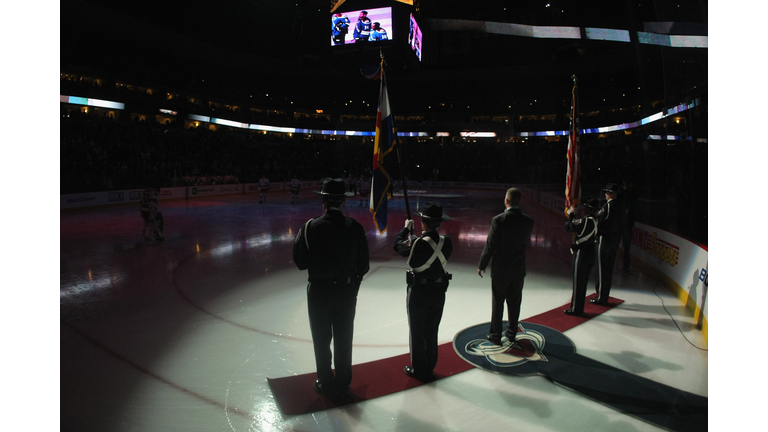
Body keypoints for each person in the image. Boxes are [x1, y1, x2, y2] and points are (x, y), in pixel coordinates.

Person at [293, 178, 370, 397]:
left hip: (319, 292)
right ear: (344, 202)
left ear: (323, 202)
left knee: (321, 338)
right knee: (344, 338)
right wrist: (351, 284)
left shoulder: (310, 228)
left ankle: (325, 380)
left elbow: (300, 263)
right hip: (346, 292)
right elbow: (363, 266)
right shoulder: (355, 228)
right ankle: (343, 380)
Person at [393, 202, 452, 382]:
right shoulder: (446, 242)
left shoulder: (418, 243)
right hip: (439, 291)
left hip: (419, 292)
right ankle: (430, 364)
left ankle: (419, 369)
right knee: (432, 330)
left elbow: (399, 247)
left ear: (423, 223)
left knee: (417, 331)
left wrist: (405, 230)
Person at [477, 188, 534, 346]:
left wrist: (482, 264)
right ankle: (511, 333)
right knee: (515, 302)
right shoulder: (529, 221)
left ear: (506, 201)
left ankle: (495, 335)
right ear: (519, 201)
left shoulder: (499, 220)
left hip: (501, 269)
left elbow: (491, 245)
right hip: (518, 269)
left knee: (498, 302)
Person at [564, 198, 599, 315]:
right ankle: (578, 308)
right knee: (582, 282)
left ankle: (576, 309)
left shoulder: (586, 221)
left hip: (582, 253)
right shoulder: (596, 220)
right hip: (591, 253)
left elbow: (568, 227)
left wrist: (571, 214)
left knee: (578, 282)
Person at [593, 183, 622, 305]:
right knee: (609, 269)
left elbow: (599, 222)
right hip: (615, 241)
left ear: (609, 194)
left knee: (602, 268)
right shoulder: (620, 206)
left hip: (605, 240)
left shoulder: (607, 207)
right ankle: (605, 294)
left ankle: (601, 296)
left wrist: (597, 234)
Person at [619, 181, 637, 274]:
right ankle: (625, 267)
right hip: (622, 225)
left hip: (626, 226)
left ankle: (626, 267)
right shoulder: (622, 196)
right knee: (625, 247)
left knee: (626, 248)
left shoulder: (631, 196)